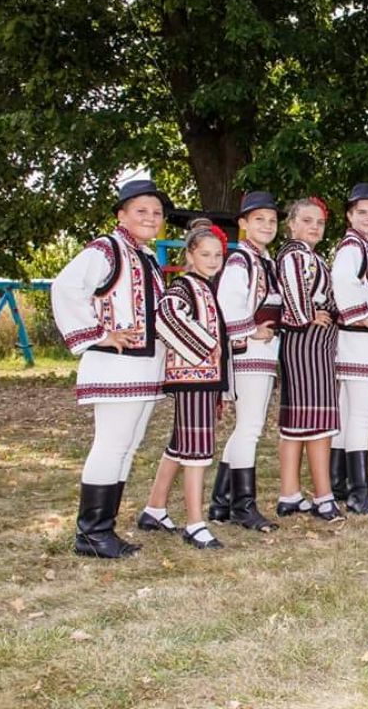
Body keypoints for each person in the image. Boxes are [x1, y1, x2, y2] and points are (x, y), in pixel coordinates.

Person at [52, 179, 171, 558]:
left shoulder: (144, 255)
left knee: (128, 446)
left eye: (156, 212)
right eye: (141, 211)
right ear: (121, 215)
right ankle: (91, 532)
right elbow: (65, 288)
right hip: (116, 366)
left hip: (142, 368)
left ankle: (104, 528)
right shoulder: (106, 249)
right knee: (112, 444)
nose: (150, 217)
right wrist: (99, 335)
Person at [137, 221, 232, 549]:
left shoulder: (205, 287)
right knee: (197, 450)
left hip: (203, 378)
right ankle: (194, 523)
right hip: (193, 379)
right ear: (190, 255)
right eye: (205, 254)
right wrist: (206, 344)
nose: (213, 260)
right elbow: (166, 314)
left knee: (181, 445)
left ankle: (154, 509)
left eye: (217, 255)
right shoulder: (185, 286)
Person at [208, 191, 283, 533]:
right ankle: (243, 505)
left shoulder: (264, 260)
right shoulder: (241, 260)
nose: (267, 225)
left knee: (246, 427)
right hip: (249, 351)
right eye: (259, 219)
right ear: (243, 223)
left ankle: (221, 501)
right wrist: (252, 330)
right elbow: (228, 303)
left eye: (272, 220)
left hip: (262, 352)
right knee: (250, 428)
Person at [275, 197, 344, 522]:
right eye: (306, 220)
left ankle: (289, 494)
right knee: (318, 420)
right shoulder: (294, 254)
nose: (314, 226)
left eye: (319, 222)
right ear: (291, 224)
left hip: (312, 342)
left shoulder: (310, 256)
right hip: (306, 342)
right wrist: (308, 314)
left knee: (299, 421)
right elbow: (293, 292)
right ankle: (323, 496)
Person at [329, 183, 368, 514]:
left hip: (358, 339)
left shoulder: (364, 247)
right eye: (361, 212)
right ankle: (358, 492)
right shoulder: (353, 247)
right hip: (358, 338)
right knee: (361, 413)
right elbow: (342, 279)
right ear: (350, 216)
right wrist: (360, 314)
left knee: (349, 410)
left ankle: (339, 481)